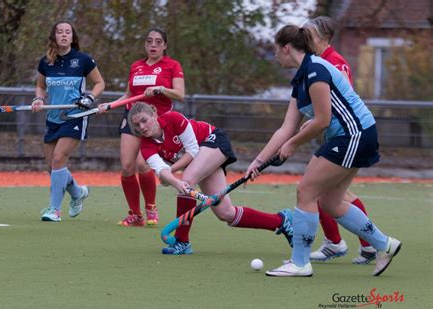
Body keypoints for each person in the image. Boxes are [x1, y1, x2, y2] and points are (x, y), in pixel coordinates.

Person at [246, 25, 401, 277]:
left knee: (305, 191)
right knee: (329, 202)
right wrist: (258, 160)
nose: (275, 55)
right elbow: (286, 127)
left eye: (276, 50)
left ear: (286, 48)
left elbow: (322, 120)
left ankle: (299, 263)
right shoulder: (301, 78)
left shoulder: (316, 71)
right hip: (352, 136)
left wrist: (293, 143)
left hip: (355, 135)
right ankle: (385, 245)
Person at [128, 102, 294, 255]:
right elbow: (160, 169)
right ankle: (280, 221)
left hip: (213, 141)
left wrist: (172, 175)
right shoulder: (146, 145)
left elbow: (192, 151)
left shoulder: (173, 118)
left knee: (188, 179)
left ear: (154, 114)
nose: (142, 127)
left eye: (144, 120)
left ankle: (182, 241)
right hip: (201, 159)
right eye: (137, 125)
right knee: (226, 213)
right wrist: (170, 177)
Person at [303, 16, 376, 264]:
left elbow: (343, 101)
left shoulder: (335, 63)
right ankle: (360, 245)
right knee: (330, 192)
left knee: (316, 189)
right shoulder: (316, 62)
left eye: (309, 34)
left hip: (347, 136)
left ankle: (347, 244)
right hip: (335, 134)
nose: (304, 39)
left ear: (325, 37)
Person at [101, 27, 185, 227]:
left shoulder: (172, 65)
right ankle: (135, 214)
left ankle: (151, 207)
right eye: (149, 41)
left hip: (157, 122)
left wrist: (161, 89)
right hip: (133, 119)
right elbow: (129, 95)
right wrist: (109, 105)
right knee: (127, 167)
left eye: (158, 41)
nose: (153, 45)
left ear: (164, 45)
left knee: (142, 163)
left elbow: (180, 94)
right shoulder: (136, 66)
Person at [31, 21, 105, 222]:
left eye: (67, 32)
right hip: (53, 118)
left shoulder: (83, 60)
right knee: (52, 167)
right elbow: (40, 86)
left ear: (73, 37)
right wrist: (38, 98)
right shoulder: (45, 62)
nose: (63, 35)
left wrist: (89, 98)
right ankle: (77, 193)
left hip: (74, 116)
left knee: (58, 160)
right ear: (54, 36)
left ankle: (54, 210)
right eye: (59, 32)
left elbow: (99, 83)